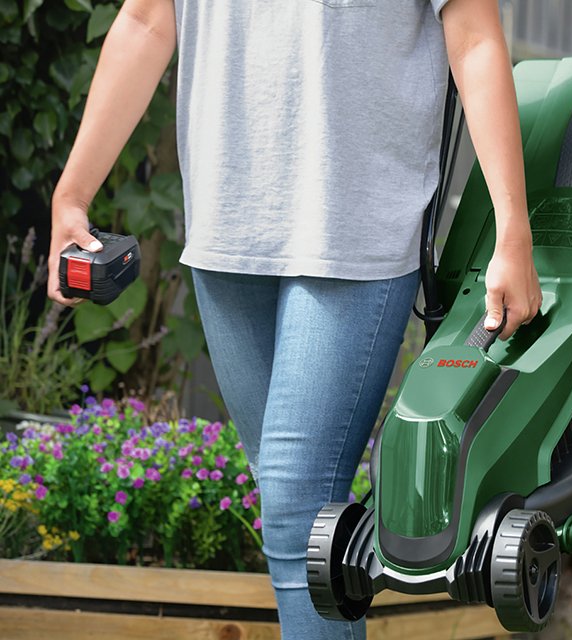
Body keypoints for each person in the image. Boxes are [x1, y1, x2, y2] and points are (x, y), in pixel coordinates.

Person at [47, 0, 540, 638]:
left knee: (298, 500)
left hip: (353, 238)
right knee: (300, 518)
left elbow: (474, 36)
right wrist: (72, 193)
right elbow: (146, 19)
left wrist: (513, 229)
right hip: (227, 235)